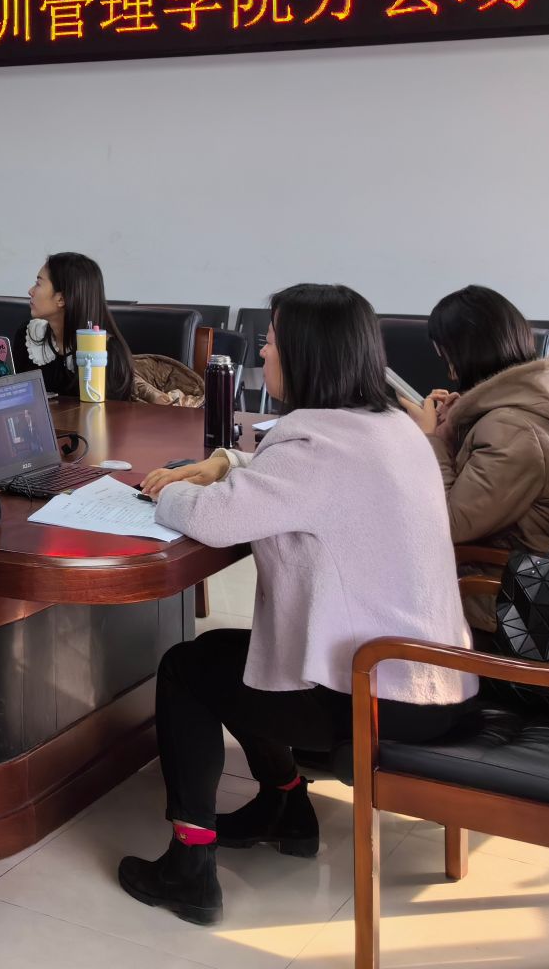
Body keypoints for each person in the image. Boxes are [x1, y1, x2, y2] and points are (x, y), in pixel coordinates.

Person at [122, 284, 476, 927]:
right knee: (243, 657)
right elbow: (295, 483)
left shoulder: (313, 445)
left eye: (271, 340)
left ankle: (189, 867)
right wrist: (227, 461)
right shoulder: (392, 427)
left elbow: (216, 520)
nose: (262, 352)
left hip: (376, 699)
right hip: (433, 682)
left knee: (187, 670)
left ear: (307, 353)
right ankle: (285, 807)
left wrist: (163, 491)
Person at [410, 285, 549, 630]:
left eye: (446, 357)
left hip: (517, 600)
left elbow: (449, 524)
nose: (449, 372)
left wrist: (431, 439)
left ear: (460, 355)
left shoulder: (513, 427)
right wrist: (459, 427)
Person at [15, 251, 134, 400]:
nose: (30, 291)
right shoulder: (29, 336)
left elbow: (113, 412)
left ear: (62, 299)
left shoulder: (110, 354)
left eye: (38, 283)